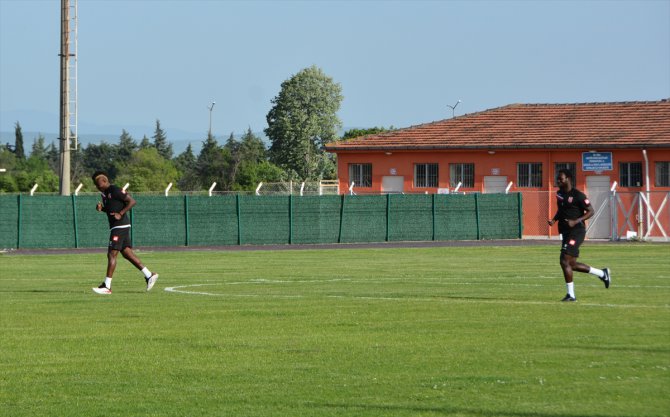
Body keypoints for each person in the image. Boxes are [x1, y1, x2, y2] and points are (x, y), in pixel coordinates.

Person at [547, 168, 610, 301]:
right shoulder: (559, 194)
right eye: (557, 178)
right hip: (565, 231)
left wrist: (576, 220)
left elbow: (591, 211)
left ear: (568, 179)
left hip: (577, 231)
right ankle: (602, 273)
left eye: (561, 178)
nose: (558, 180)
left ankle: (571, 295)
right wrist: (554, 219)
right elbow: (561, 210)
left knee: (564, 260)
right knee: (571, 264)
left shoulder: (578, 195)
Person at [91, 171, 158, 294]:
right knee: (127, 253)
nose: (97, 186)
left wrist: (120, 213)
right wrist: (102, 209)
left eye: (98, 184)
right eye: (95, 185)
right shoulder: (104, 194)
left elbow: (132, 201)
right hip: (117, 226)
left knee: (112, 254)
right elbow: (112, 209)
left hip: (120, 226)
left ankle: (107, 286)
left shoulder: (115, 190)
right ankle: (149, 275)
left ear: (105, 181)